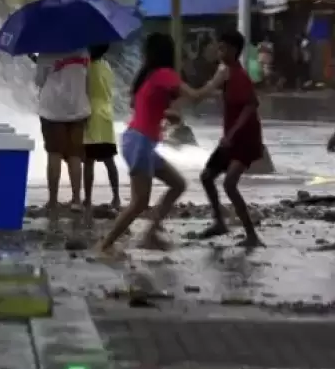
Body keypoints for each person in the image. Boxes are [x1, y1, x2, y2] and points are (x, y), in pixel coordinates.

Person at [98, 32, 209, 254]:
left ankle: (150, 233)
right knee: (139, 203)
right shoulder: (165, 74)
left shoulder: (146, 75)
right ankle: (104, 245)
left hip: (136, 140)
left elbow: (138, 106)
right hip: (140, 142)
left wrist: (166, 114)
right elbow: (196, 96)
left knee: (178, 184)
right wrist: (219, 79)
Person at [198, 29, 264, 247]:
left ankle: (252, 236)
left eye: (223, 47)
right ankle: (219, 222)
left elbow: (251, 105)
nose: (219, 50)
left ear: (234, 50)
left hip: (244, 139)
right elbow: (207, 89)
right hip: (231, 138)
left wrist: (232, 134)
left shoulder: (239, 75)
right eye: (219, 47)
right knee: (207, 176)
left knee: (229, 184)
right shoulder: (225, 71)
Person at [35, 49, 91, 212]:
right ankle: (76, 200)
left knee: (54, 154)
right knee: (75, 155)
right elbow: (87, 80)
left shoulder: (46, 53)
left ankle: (53, 201)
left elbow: (39, 81)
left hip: (53, 111)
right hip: (78, 109)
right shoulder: (83, 52)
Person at [83, 44, 121, 210]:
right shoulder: (106, 66)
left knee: (89, 161)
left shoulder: (87, 68)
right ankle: (117, 197)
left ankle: (88, 198)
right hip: (106, 115)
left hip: (91, 115)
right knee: (109, 160)